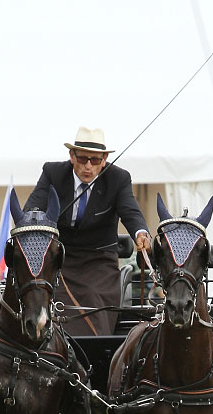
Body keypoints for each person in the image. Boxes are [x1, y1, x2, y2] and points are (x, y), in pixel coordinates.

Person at [23, 125, 151, 336]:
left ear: (104, 161)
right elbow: (33, 207)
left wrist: (141, 233)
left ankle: (92, 347)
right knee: (42, 293)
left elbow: (131, 211)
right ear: (72, 156)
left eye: (95, 160)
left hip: (98, 260)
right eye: (82, 159)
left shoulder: (118, 179)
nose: (88, 166)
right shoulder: (53, 173)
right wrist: (32, 223)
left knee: (92, 296)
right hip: (59, 257)